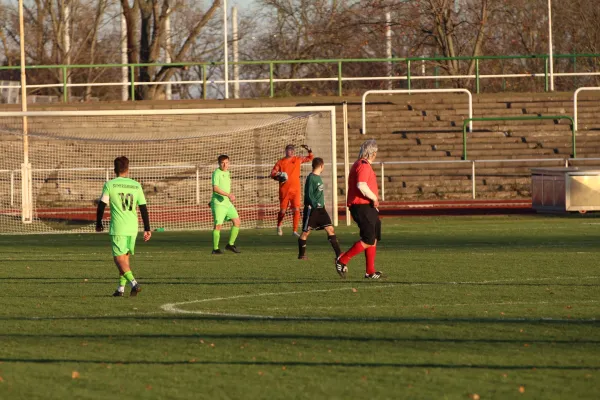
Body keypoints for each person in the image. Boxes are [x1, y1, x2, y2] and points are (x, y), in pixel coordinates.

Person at [96, 156, 151, 297]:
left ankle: (134, 283)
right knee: (125, 259)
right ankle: (121, 288)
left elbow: (101, 205)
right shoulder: (136, 185)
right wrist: (147, 228)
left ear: (115, 169)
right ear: (128, 168)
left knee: (118, 259)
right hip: (133, 227)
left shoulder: (110, 184)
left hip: (119, 227)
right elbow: (143, 208)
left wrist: (99, 222)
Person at [335, 139, 383, 279]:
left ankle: (370, 271)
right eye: (375, 152)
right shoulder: (363, 165)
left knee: (373, 237)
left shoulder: (364, 164)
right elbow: (361, 185)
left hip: (367, 206)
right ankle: (342, 260)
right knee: (368, 239)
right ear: (372, 153)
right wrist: (374, 198)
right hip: (361, 206)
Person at [298, 157, 341, 260]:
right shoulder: (311, 178)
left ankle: (339, 254)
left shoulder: (318, 177)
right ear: (321, 166)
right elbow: (308, 195)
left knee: (330, 229)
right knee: (305, 233)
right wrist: (315, 204)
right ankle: (301, 255)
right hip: (312, 210)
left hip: (321, 209)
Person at [271, 144, 314, 236]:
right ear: (286, 151)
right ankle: (279, 225)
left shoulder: (298, 159)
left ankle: (294, 231)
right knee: (282, 211)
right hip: (284, 190)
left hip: (296, 190)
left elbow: (310, 158)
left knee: (296, 209)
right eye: (289, 149)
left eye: (292, 150)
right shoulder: (280, 162)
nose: (291, 151)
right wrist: (278, 176)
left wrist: (309, 149)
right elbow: (272, 173)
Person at [210, 154, 241, 254]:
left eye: (226, 162)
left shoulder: (228, 173)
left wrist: (228, 196)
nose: (225, 165)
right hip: (219, 203)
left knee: (237, 221)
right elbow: (215, 188)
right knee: (218, 226)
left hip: (227, 203)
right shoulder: (216, 173)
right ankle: (215, 249)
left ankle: (230, 245)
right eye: (222, 163)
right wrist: (228, 195)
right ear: (219, 163)